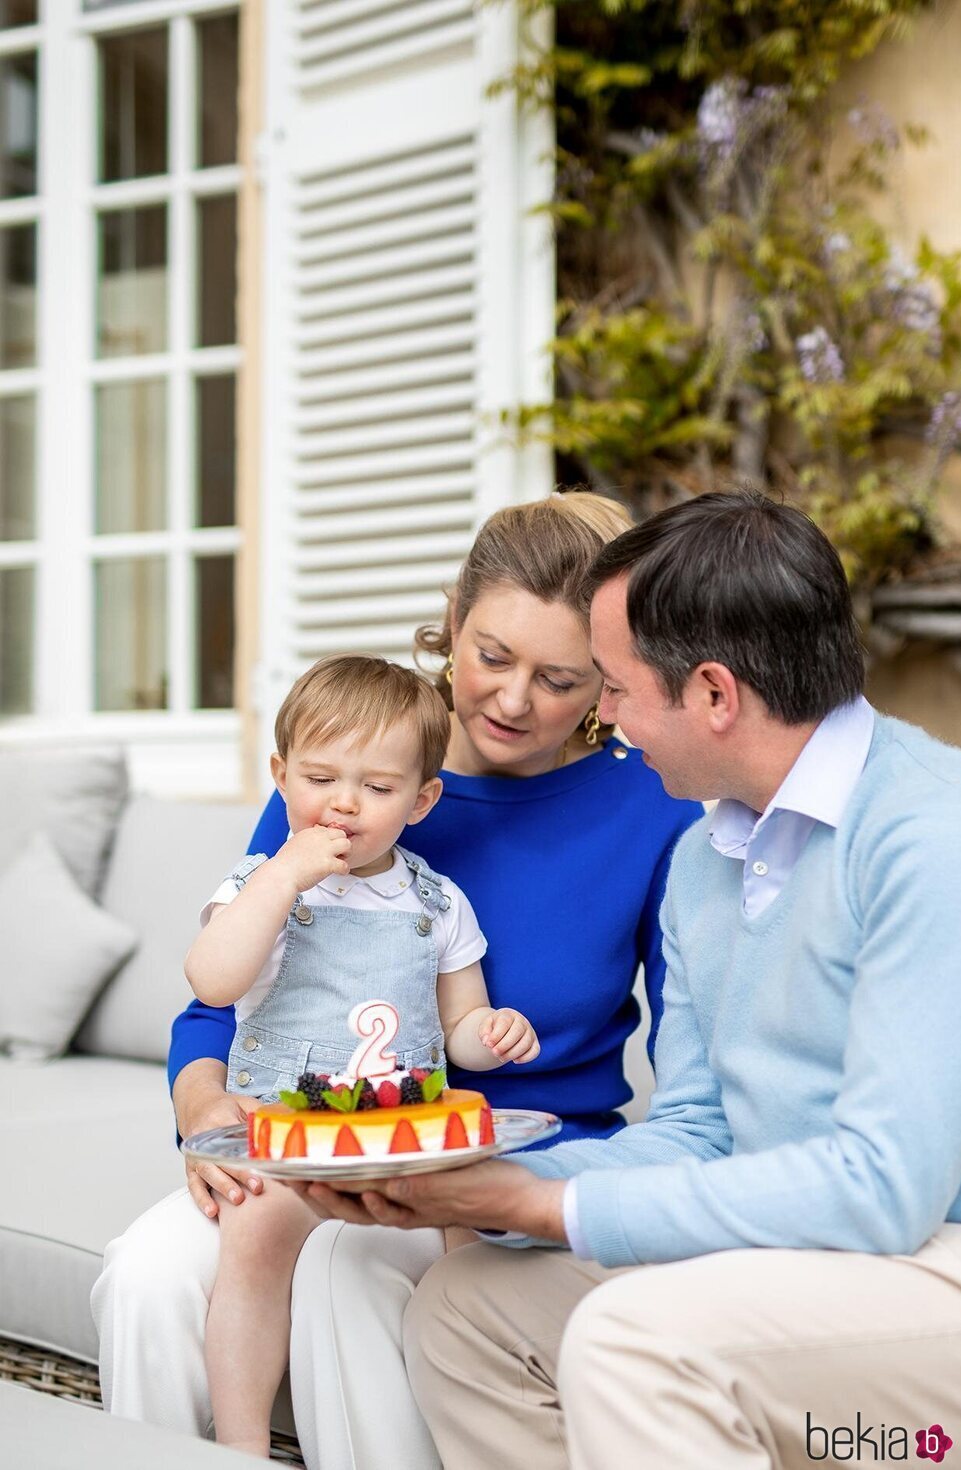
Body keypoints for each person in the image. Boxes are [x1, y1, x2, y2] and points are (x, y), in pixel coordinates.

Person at [292, 490, 961, 1470]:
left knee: (633, 1340)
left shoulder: (934, 838)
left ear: (710, 694)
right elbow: (697, 1131)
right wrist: (472, 1188)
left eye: (609, 686)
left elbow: (882, 1190)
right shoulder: (708, 856)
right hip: (804, 1245)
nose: (602, 719)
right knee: (467, 1306)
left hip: (945, 1259)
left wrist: (540, 1206)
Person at [90, 492, 702, 1470]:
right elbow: (219, 995)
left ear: (605, 681)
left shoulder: (652, 807)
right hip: (313, 1136)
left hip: (513, 1169)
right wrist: (203, 1106)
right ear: (452, 619)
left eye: (557, 679)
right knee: (147, 1274)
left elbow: (691, 1057)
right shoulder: (353, 777)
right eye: (491, 656)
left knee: (349, 1266)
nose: (510, 700)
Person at [183, 654, 539, 1458]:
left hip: (400, 1139)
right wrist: (282, 878)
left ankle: (467, 1432)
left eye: (377, 789)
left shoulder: (437, 901)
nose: (344, 803)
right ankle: (239, 1447)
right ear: (281, 778)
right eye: (320, 778)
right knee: (255, 1235)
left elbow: (462, 1026)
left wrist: (495, 1034)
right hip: (285, 1135)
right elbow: (211, 977)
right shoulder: (260, 880)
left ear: (421, 801)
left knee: (472, 1234)